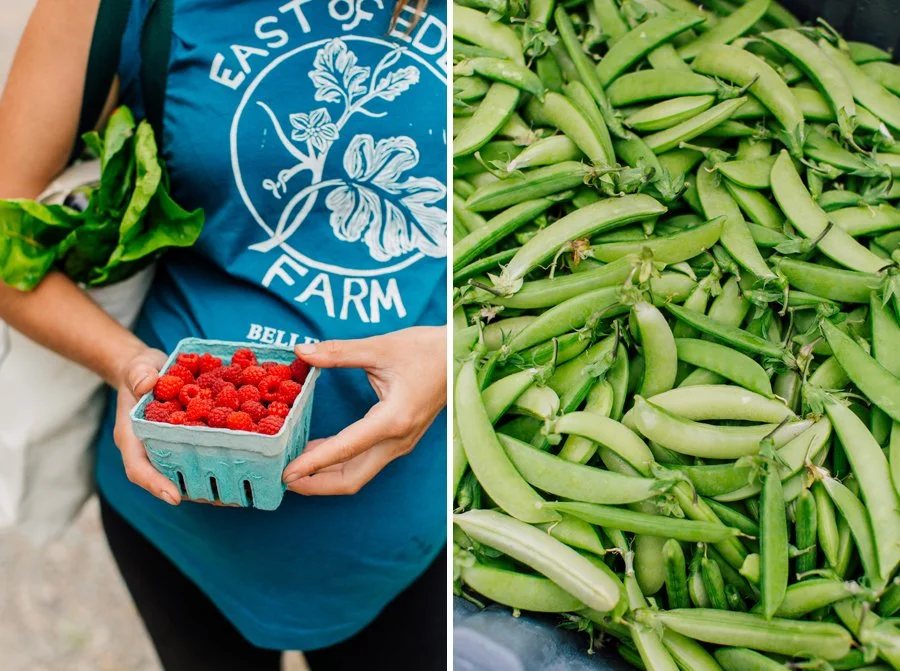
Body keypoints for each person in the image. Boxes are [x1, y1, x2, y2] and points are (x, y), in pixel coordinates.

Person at [0, 0, 448, 668]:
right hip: (180, 532)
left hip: (419, 536)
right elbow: (8, 246)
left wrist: (453, 352)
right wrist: (128, 364)